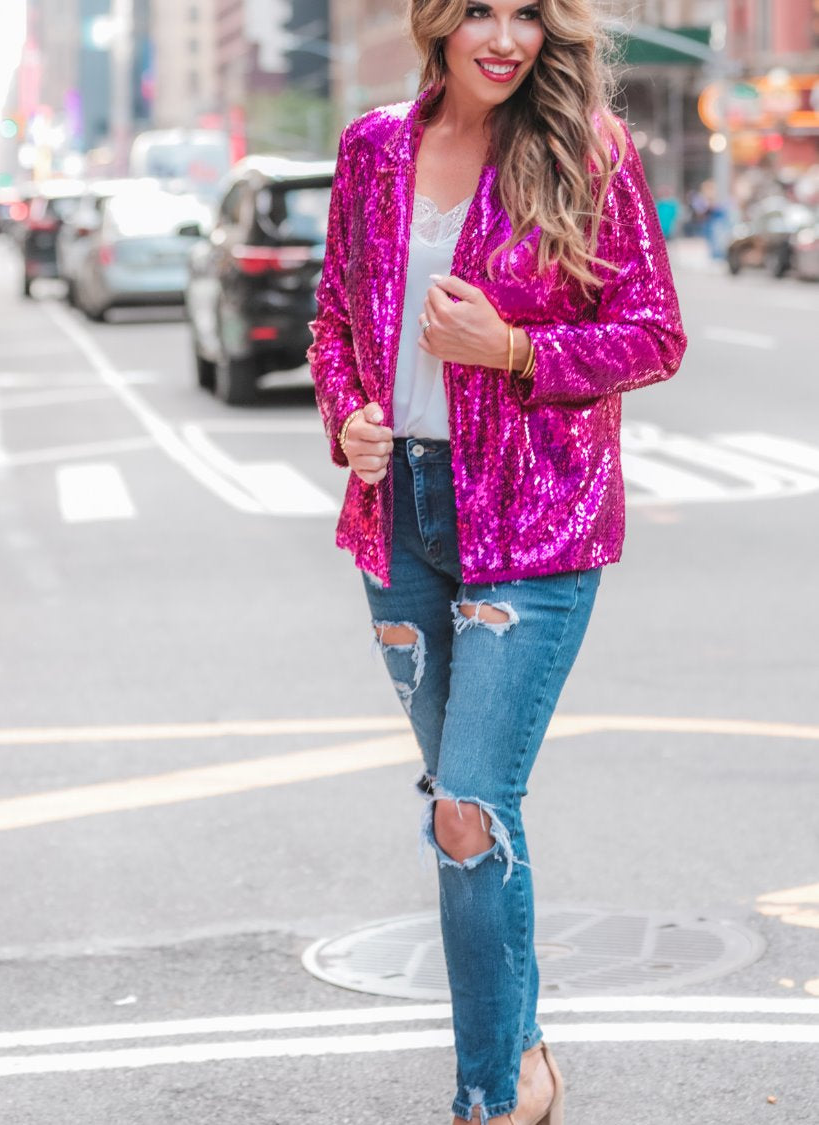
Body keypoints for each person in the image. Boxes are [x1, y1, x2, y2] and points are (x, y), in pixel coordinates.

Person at [308, 1, 686, 1122]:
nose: (505, 35)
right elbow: (334, 318)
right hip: (404, 514)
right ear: (437, 20)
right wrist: (349, 420)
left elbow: (654, 332)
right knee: (460, 816)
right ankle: (524, 1058)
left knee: (472, 802)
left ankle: (488, 1099)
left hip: (536, 521)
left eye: (529, 12)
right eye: (480, 8)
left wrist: (516, 349)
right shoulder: (375, 149)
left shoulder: (588, 151)